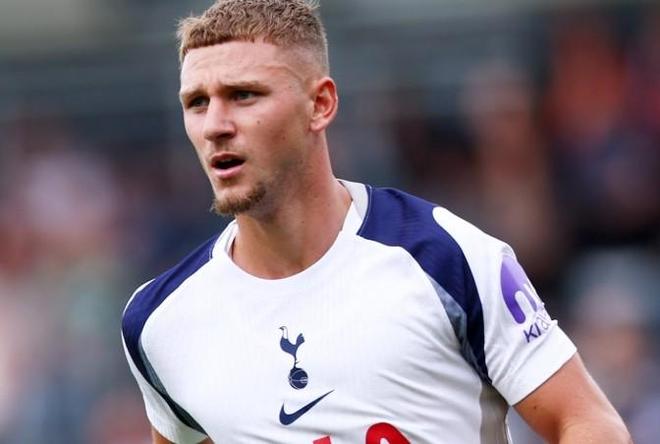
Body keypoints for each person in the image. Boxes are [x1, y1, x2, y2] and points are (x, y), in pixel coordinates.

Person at [121, 1, 631, 442]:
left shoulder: (445, 258)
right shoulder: (158, 322)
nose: (215, 125)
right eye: (196, 103)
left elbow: (588, 423)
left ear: (320, 105)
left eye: (243, 95)